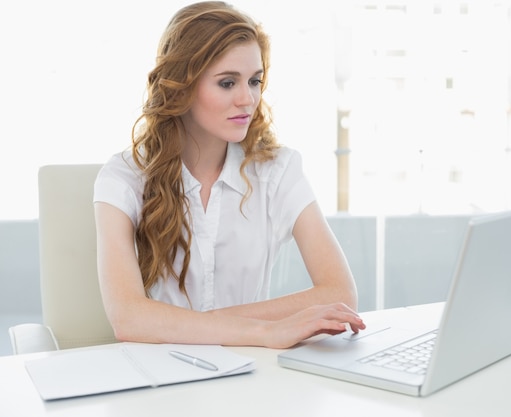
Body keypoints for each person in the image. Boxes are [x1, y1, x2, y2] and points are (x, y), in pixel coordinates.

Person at [93, 1, 365, 349]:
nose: (247, 99)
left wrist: (177, 325)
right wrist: (266, 331)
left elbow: (340, 292)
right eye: (226, 83)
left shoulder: (277, 171)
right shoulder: (124, 177)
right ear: (181, 86)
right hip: (161, 380)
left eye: (254, 81)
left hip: (252, 376)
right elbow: (128, 317)